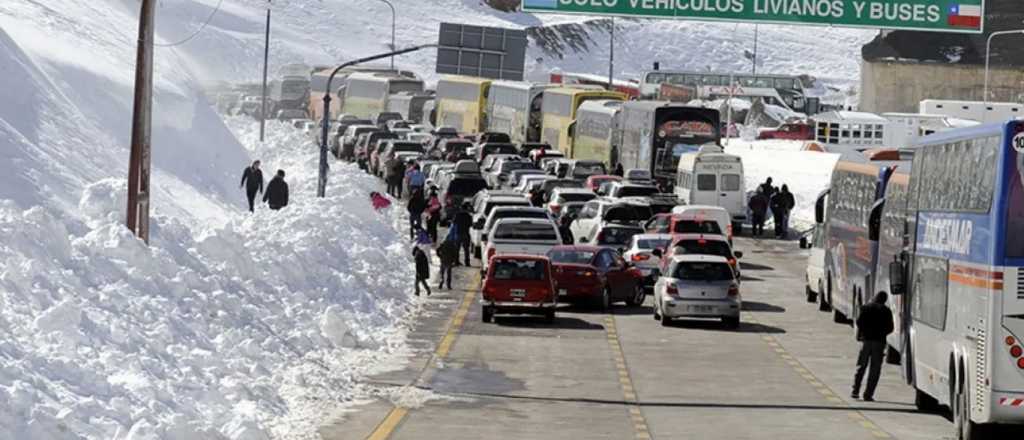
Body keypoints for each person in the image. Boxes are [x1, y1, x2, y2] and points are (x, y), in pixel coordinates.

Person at [852, 291, 895, 402]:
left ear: (875, 297)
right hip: (879, 343)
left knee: (861, 366)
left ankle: (855, 390)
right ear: (884, 300)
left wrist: (865, 332)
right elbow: (891, 328)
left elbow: (858, 322)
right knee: (875, 370)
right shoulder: (886, 311)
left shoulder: (865, 308)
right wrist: (882, 333)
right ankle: (868, 394)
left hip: (866, 341)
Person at [436, 225, 459, 290]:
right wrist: (454, 260)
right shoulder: (452, 245)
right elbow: (455, 253)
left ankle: (441, 280)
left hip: (443, 259)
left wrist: (439, 256)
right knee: (449, 273)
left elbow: (437, 250)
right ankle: (448, 285)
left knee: (442, 272)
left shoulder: (443, 244)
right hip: (449, 261)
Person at [453, 202, 474, 266]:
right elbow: (471, 224)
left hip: (458, 233)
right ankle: (467, 262)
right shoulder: (468, 216)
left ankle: (456, 261)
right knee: (466, 249)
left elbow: (454, 223)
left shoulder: (457, 215)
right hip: (466, 234)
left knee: (457, 249)